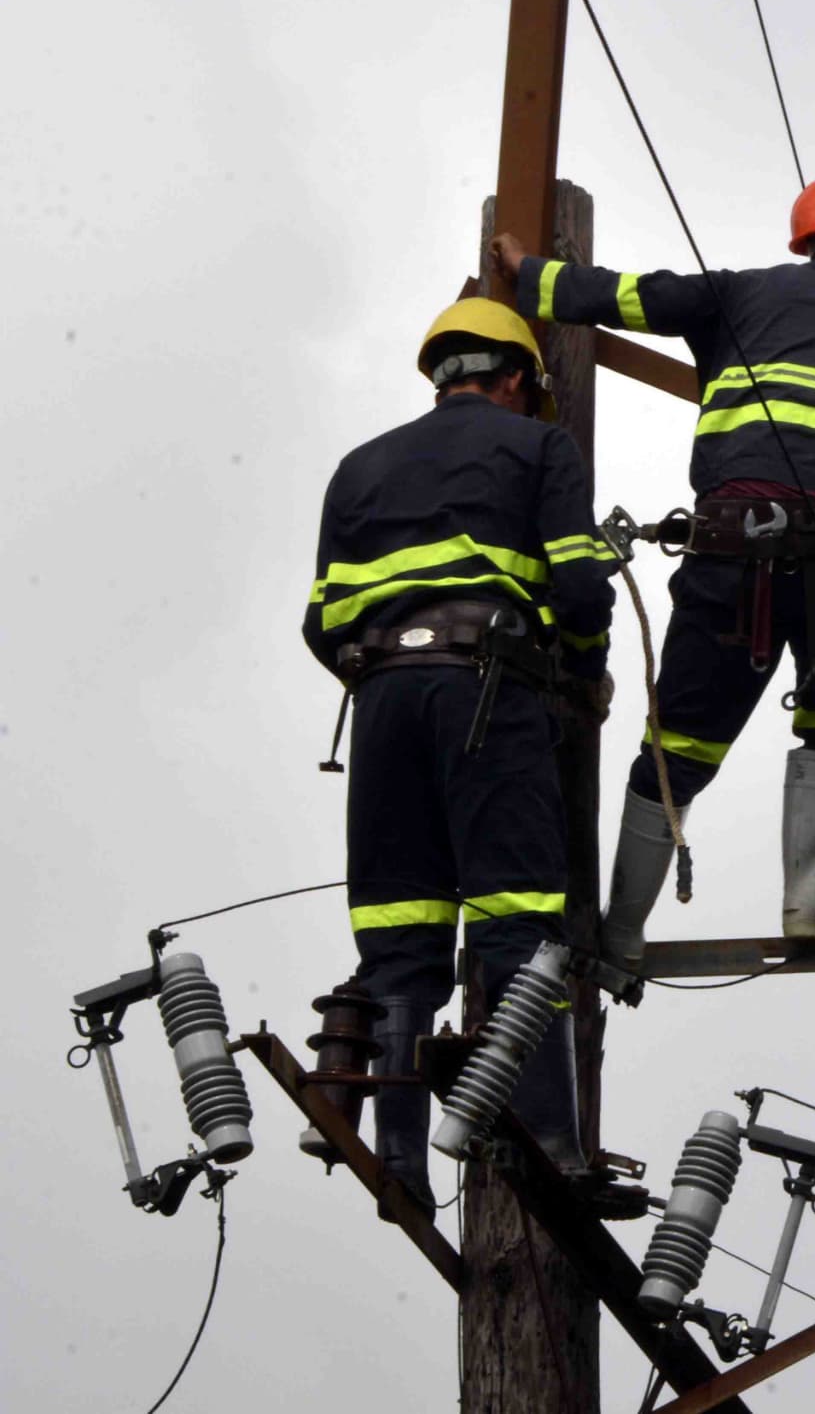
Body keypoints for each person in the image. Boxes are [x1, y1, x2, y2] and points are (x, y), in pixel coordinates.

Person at [490, 168, 815, 973]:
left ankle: (621, 931)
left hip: (734, 555)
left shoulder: (741, 293)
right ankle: (806, 899)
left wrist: (530, 275)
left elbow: (632, 298)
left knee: (679, 740)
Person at [301, 298, 613, 1204]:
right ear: (515, 378)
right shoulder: (539, 447)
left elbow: (321, 623)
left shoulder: (357, 468)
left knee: (400, 933)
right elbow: (584, 588)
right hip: (486, 691)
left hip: (381, 704)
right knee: (518, 917)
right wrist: (577, 677)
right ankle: (553, 1143)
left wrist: (391, 676)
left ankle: (399, 1161)